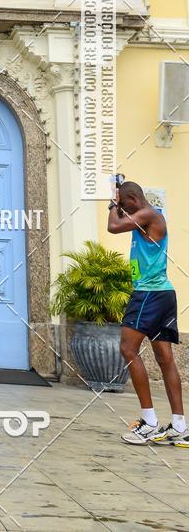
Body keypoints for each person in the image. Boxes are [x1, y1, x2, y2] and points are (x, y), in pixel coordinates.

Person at [108, 181, 187, 446]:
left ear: (133, 199)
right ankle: (179, 426)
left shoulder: (148, 214)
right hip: (163, 294)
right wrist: (117, 193)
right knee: (165, 359)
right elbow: (122, 221)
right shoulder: (147, 216)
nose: (122, 211)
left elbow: (113, 226)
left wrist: (111, 204)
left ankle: (150, 422)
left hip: (149, 294)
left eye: (123, 205)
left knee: (128, 349)